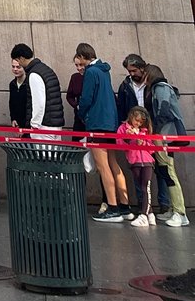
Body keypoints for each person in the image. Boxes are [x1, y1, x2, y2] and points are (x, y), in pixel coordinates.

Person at [123, 57, 189, 228]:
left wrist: (153, 132)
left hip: (164, 136)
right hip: (163, 136)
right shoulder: (161, 88)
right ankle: (173, 209)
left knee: (168, 170)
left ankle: (180, 212)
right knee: (165, 171)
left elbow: (164, 112)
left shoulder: (160, 88)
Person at [75, 43, 131, 222]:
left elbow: (86, 98)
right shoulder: (104, 70)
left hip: (97, 122)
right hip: (110, 122)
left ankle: (112, 207)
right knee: (114, 164)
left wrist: (81, 112)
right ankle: (124, 206)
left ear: (83, 56)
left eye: (80, 61)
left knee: (103, 166)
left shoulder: (91, 72)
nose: (80, 65)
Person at [8, 44, 65, 135]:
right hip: (54, 123)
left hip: (43, 125)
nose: (18, 64)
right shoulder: (45, 69)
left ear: (22, 58)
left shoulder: (34, 74)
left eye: (18, 61)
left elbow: (39, 103)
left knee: (42, 149)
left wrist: (34, 125)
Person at [117, 105, 156, 228]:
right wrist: (128, 139)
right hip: (135, 162)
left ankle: (144, 215)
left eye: (140, 122)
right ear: (131, 117)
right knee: (140, 186)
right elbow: (119, 144)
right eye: (136, 120)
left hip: (147, 161)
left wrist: (143, 142)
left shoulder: (145, 130)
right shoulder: (123, 128)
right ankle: (149, 213)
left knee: (146, 187)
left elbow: (152, 148)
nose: (138, 124)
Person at [8, 57, 31, 131]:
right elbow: (12, 103)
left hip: (29, 125)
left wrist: (25, 126)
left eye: (18, 67)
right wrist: (13, 118)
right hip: (17, 124)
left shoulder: (29, 83)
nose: (15, 69)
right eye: (13, 67)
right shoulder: (12, 84)